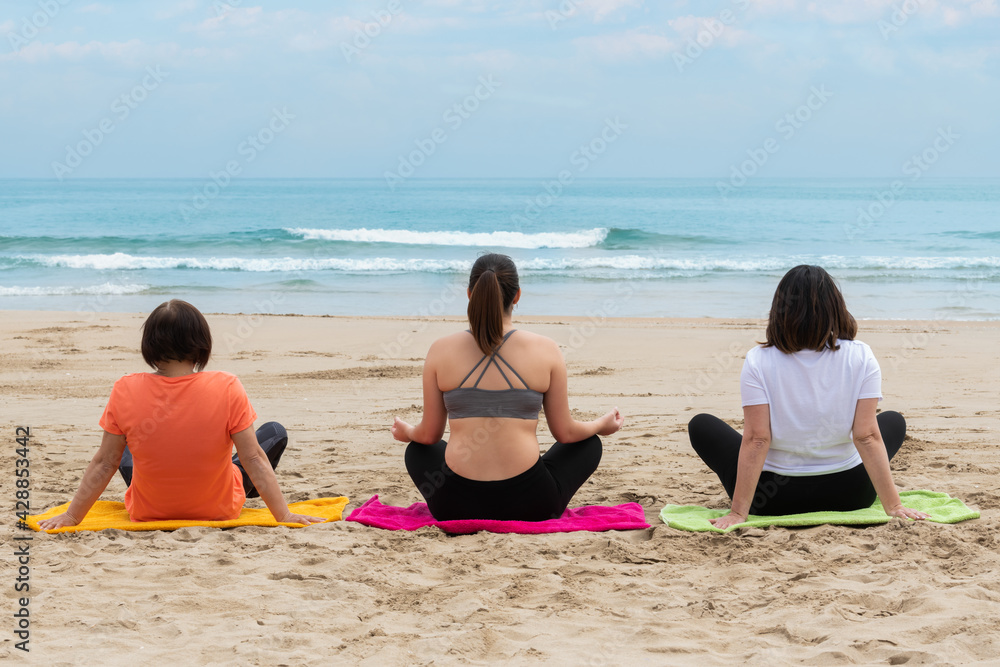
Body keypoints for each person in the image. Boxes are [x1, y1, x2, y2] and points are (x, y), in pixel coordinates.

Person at [39, 300, 323, 529]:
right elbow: (253, 458)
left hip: (148, 511)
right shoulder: (226, 385)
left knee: (122, 451)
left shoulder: (125, 388)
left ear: (149, 346)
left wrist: (72, 516)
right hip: (219, 509)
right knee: (273, 432)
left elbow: (105, 462)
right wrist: (283, 515)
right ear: (201, 344)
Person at [687, 265, 929, 530]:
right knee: (893, 420)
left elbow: (758, 439)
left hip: (770, 498)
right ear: (835, 307)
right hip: (851, 494)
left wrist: (738, 513)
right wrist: (894, 506)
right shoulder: (861, 355)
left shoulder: (758, 360)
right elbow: (866, 436)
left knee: (701, 424)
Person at [391, 253, 624, 521]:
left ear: (470, 294)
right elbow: (566, 433)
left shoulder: (440, 349)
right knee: (589, 443)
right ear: (517, 296)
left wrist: (407, 431)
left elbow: (429, 435)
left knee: (418, 448)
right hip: (532, 505)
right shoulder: (546, 349)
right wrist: (601, 425)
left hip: (454, 505)